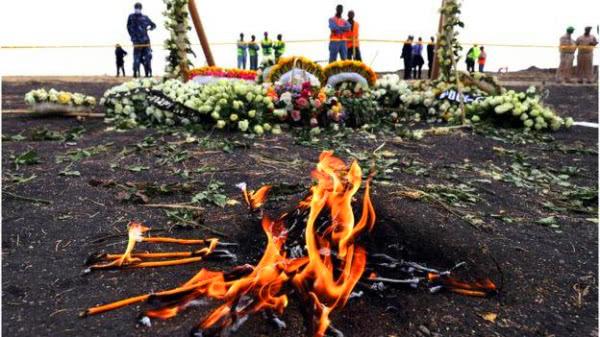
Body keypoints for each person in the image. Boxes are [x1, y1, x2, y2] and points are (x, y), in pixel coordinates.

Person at [127, 3, 156, 78]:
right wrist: (132, 36)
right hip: (137, 42)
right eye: (136, 7)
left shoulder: (145, 18)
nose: (137, 9)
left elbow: (153, 25)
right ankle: (135, 73)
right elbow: (128, 27)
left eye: (139, 8)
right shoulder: (131, 17)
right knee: (136, 59)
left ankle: (148, 73)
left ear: (141, 9)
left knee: (148, 57)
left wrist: (150, 29)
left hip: (146, 41)